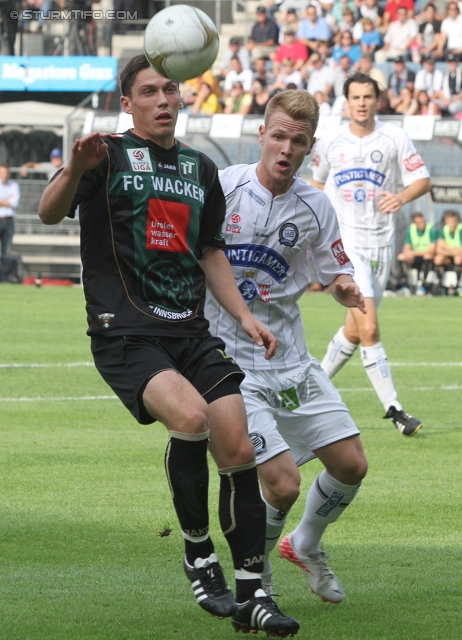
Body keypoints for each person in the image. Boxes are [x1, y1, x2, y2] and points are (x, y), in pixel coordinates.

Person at [37, 54, 299, 638]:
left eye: (170, 90)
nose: (162, 100)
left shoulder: (200, 168)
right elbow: (48, 213)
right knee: (191, 415)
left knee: (238, 448)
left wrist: (244, 317)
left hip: (191, 330)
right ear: (127, 103)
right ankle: (199, 554)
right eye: (148, 92)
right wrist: (73, 169)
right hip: (124, 330)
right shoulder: (103, 154)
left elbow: (210, 252)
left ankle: (253, 591)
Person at [205, 89, 368, 604]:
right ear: (261, 134)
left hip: (290, 360)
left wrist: (343, 285)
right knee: (281, 483)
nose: (285, 148)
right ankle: (259, 581)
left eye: (297, 142)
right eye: (278, 136)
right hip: (229, 364)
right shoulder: (224, 188)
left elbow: (335, 269)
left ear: (309, 147)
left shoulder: (315, 205)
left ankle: (304, 542)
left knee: (351, 464)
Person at [313, 73, 432, 435]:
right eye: (355, 97)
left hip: (383, 245)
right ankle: (395, 409)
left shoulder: (394, 137)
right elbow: (316, 184)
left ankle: (309, 388)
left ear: (377, 100)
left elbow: (422, 179)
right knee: (370, 326)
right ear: (346, 102)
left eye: (367, 96)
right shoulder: (332, 140)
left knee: (353, 331)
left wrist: (401, 197)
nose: (361, 102)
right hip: (348, 247)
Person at [397, 211, 437, 294]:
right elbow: (407, 246)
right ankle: (405, 285)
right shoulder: (411, 229)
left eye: (422, 221)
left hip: (426, 255)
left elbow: (432, 250)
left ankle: (422, 284)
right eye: (418, 222)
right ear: (414, 223)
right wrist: (408, 253)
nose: (421, 224)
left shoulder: (431, 228)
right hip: (415, 256)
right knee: (401, 257)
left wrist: (414, 253)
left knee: (427, 256)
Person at [0, 164, 20, 282]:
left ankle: (3, 278)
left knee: (6, 252)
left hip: (8, 221)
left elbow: (14, 202)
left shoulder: (14, 185)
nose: (4, 175)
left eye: (6, 172)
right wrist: (7, 201)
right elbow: (10, 201)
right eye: (2, 172)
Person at [434, 209, 462, 293]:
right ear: (446, 221)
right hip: (449, 257)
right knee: (438, 259)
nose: (452, 224)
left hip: (458, 257)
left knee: (458, 258)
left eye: (454, 221)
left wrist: (446, 248)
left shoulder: (460, 229)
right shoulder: (444, 230)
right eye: (450, 221)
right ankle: (439, 285)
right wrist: (453, 250)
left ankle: (457, 285)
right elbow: (438, 249)